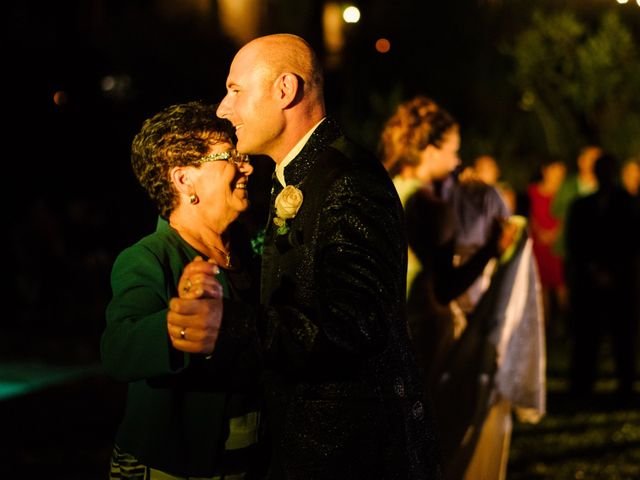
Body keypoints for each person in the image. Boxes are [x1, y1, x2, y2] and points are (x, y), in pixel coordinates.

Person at [204, 33, 441, 479]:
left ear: (285, 90)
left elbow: (355, 326)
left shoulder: (348, 181)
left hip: (351, 452)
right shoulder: (297, 173)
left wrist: (228, 325)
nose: (223, 107)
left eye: (235, 90)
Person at [379, 95, 545, 480]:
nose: (457, 161)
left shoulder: (386, 188)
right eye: (453, 151)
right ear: (431, 148)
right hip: (420, 326)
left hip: (385, 325)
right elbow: (447, 286)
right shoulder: (424, 202)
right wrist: (492, 248)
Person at [100, 101, 264, 479]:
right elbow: (118, 349)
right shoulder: (148, 257)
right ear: (183, 179)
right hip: (172, 468)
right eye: (231, 156)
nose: (247, 166)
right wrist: (176, 326)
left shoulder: (248, 249)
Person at [565, 152, 640, 399]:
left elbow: (631, 241)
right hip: (590, 279)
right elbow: (575, 243)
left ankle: (625, 383)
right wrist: (592, 269)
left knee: (623, 335)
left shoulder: (629, 204)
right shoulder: (581, 206)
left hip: (621, 280)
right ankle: (582, 384)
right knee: (587, 333)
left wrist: (615, 270)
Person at [527, 158, 568, 337]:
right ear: (545, 170)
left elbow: (566, 216)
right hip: (538, 246)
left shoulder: (564, 193)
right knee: (541, 288)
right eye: (554, 171)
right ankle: (545, 330)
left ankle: (567, 327)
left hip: (558, 247)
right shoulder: (533, 192)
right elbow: (529, 214)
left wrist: (554, 234)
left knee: (562, 287)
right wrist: (540, 231)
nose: (558, 176)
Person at [551, 145, 601, 260]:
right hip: (572, 250)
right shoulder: (567, 186)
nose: (595, 163)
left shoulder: (606, 189)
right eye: (591, 159)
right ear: (581, 161)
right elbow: (556, 211)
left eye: (598, 159)